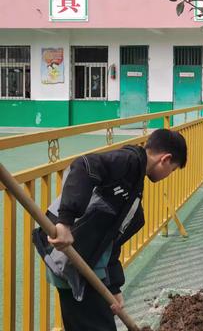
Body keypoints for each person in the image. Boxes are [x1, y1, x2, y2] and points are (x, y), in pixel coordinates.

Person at [33, 128, 187, 331]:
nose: (169, 175)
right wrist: (65, 222)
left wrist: (114, 286)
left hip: (86, 263)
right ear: (165, 159)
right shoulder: (127, 161)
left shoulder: (134, 184)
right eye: (173, 169)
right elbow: (84, 166)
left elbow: (111, 239)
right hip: (68, 258)